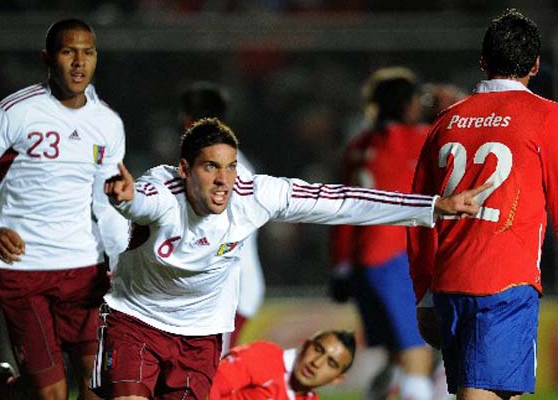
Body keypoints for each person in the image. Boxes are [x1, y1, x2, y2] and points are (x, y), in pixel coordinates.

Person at [94, 117, 486, 400]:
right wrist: (125, 198)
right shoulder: (162, 191)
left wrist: (432, 206)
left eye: (230, 167)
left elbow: (342, 203)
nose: (223, 180)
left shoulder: (254, 196)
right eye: (210, 167)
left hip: (200, 334)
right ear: (185, 170)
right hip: (137, 318)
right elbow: (141, 203)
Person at [0, 18, 129, 400]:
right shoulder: (16, 111)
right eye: (69, 52)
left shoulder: (108, 124)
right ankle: (10, 391)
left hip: (84, 268)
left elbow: (105, 202)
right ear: (48, 59)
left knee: (97, 384)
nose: (79, 62)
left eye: (88, 52)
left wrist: (120, 261)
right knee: (52, 393)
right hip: (24, 268)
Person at [408, 8, 554, 400]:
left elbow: (419, 214)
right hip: (506, 284)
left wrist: (425, 295)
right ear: (536, 65)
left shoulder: (445, 121)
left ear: (484, 62)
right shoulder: (546, 117)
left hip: (451, 284)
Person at [329, 67, 435, 400]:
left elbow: (340, 210)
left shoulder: (358, 145)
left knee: (395, 357)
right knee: (418, 354)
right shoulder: (415, 139)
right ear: (407, 105)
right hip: (395, 258)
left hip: (362, 263)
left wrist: (340, 267)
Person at [179, 81, 265, 350]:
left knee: (208, 378)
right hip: (224, 288)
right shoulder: (233, 165)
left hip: (227, 290)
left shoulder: (224, 171)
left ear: (188, 122)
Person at [209, 329, 356, 399]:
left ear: (337, 379)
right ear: (305, 345)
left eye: (331, 363)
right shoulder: (264, 357)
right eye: (317, 349)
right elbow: (207, 391)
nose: (316, 363)